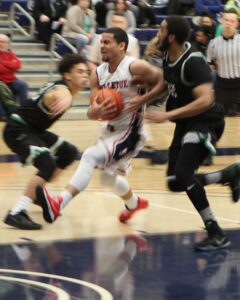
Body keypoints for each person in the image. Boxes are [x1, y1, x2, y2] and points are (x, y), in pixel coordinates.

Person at [129, 16, 239, 251]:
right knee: (175, 182)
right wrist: (144, 99)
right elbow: (166, 82)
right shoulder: (169, 55)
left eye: (161, 29)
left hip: (206, 121)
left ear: (171, 37)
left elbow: (206, 100)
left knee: (184, 173)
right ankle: (228, 174)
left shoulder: (194, 63)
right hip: (186, 123)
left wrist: (167, 115)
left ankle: (216, 232)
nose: (157, 33)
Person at [35, 27, 163, 225]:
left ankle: (58, 203)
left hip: (130, 132)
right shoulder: (98, 74)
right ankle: (134, 203)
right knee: (107, 179)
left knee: (89, 156)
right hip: (110, 130)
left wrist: (144, 98)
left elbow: (164, 80)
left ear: (121, 46)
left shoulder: (135, 67)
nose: (101, 46)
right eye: (101, 42)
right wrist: (94, 113)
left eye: (107, 42)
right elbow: (92, 111)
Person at [3, 54, 89, 230]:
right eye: (80, 71)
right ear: (67, 75)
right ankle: (17, 212)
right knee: (47, 164)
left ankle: (36, 194)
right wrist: (63, 97)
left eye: (86, 72)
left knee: (68, 152)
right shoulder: (61, 88)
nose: (85, 75)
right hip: (17, 129)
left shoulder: (68, 89)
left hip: (34, 131)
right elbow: (55, 94)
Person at [207, 8, 240, 116]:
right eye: (226, 20)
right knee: (219, 117)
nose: (228, 23)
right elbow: (210, 65)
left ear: (237, 24)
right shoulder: (213, 43)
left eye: (232, 21)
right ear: (221, 21)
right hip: (221, 86)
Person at [0, 34, 29, 107]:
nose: (2, 44)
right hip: (1, 81)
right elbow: (1, 69)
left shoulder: (10, 53)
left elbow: (18, 65)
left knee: (22, 84)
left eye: (5, 42)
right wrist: (10, 65)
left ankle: (24, 109)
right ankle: (2, 114)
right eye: (1, 42)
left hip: (11, 80)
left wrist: (3, 62)